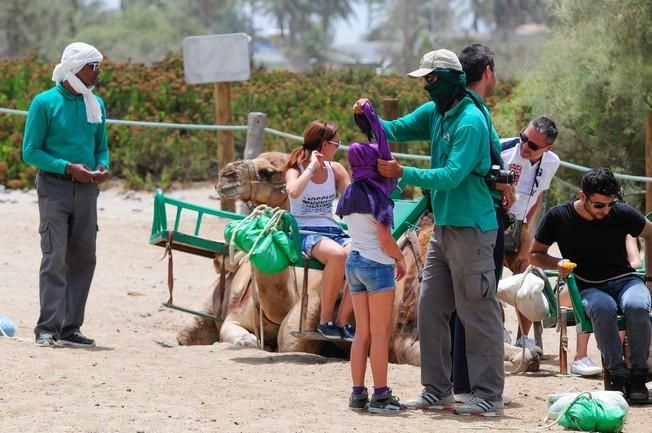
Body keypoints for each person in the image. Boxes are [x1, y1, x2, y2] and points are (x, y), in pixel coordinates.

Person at [355, 48, 505, 416]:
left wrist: (402, 172)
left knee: (477, 313)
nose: (426, 86)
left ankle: (488, 395)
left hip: (472, 228)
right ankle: (437, 390)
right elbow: (392, 130)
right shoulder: (437, 113)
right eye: (424, 80)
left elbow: (452, 175)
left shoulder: (470, 121)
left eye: (431, 79)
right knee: (430, 308)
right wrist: (367, 117)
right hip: (444, 228)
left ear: (452, 78)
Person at [529, 168, 652, 401]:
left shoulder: (621, 213)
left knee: (637, 305)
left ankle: (638, 375)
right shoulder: (558, 217)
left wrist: (651, 279)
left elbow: (651, 233)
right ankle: (618, 375)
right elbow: (535, 254)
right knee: (602, 308)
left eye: (610, 204)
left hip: (626, 281)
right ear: (582, 196)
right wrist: (559, 262)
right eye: (599, 205)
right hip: (589, 285)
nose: (606, 210)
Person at [22, 42, 109, 348]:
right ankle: (46, 328)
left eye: (98, 66)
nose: (98, 72)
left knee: (84, 257)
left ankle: (71, 327)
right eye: (93, 66)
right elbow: (30, 151)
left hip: (87, 190)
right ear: (75, 69)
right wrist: (68, 167)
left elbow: (101, 146)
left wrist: (103, 165)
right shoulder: (44, 103)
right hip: (54, 189)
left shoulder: (95, 104)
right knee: (54, 256)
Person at [336, 102, 407, 414]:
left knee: (361, 333)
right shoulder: (379, 196)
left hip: (354, 264)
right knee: (380, 334)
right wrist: (400, 259)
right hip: (377, 265)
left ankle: (358, 393)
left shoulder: (349, 193)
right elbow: (384, 237)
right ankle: (380, 395)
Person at [451, 42, 509, 403]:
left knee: (465, 304)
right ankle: (479, 389)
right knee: (481, 304)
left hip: (468, 216)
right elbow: (466, 170)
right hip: (481, 219)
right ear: (487, 71)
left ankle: (461, 383)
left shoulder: (460, 110)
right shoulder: (474, 115)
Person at [284, 120, 354, 341]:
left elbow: (353, 197)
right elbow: (293, 192)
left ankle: (342, 320)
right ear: (325, 145)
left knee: (360, 253)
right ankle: (325, 321)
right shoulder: (296, 170)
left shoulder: (336, 169)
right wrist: (313, 167)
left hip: (333, 230)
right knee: (337, 255)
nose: (338, 147)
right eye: (337, 143)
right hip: (305, 232)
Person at [499, 117, 560, 358]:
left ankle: (523, 338)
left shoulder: (552, 163)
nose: (525, 146)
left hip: (518, 225)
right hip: (490, 221)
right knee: (488, 274)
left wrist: (524, 226)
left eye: (533, 145)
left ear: (548, 148)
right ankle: (498, 330)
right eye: (523, 138)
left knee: (526, 276)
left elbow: (536, 196)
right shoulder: (502, 148)